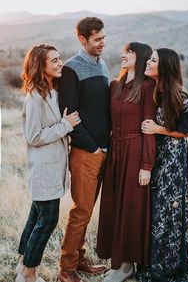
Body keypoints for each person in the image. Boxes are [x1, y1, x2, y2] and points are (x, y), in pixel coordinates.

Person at [15, 44, 80, 282]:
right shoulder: (34, 97)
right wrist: (65, 125)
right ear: (40, 66)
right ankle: (29, 273)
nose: (60, 63)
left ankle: (23, 263)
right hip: (44, 169)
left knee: (36, 217)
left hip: (54, 168)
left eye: (59, 58)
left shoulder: (53, 92)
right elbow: (33, 136)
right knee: (47, 221)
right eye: (54, 60)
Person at [137, 48, 188, 282]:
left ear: (164, 67)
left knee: (170, 211)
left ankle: (169, 263)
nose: (148, 62)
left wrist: (157, 129)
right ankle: (154, 258)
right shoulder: (154, 91)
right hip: (158, 157)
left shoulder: (178, 95)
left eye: (153, 60)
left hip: (173, 162)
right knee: (156, 210)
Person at [96, 42, 157, 282]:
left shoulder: (147, 86)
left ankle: (128, 266)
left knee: (130, 207)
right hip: (115, 151)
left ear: (139, 57)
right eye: (124, 52)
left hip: (136, 151)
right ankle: (117, 262)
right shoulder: (114, 85)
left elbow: (149, 128)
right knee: (113, 204)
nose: (123, 55)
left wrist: (147, 165)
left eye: (129, 52)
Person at [57, 17, 110, 282]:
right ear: (82, 39)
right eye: (97, 39)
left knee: (88, 209)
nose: (102, 43)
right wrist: (93, 147)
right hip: (85, 152)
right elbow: (68, 114)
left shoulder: (103, 65)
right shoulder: (70, 69)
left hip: (104, 150)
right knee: (81, 210)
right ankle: (66, 267)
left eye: (103, 37)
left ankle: (79, 258)